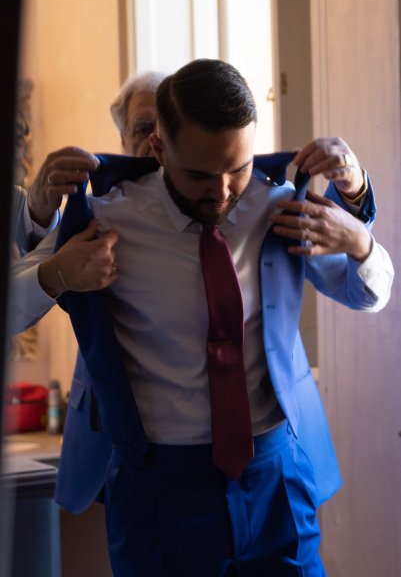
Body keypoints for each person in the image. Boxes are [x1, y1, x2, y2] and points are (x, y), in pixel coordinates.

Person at [12, 59, 393, 576]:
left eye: (236, 169)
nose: (221, 192)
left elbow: (371, 296)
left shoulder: (279, 206)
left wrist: (362, 243)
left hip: (275, 473)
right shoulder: (106, 216)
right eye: (198, 175)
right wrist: (55, 273)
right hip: (158, 489)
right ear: (157, 149)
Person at [9, 71, 165, 335]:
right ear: (124, 140)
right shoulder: (98, 215)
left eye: (168, 125)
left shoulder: (232, 200)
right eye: (144, 128)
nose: (156, 139)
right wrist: (56, 274)